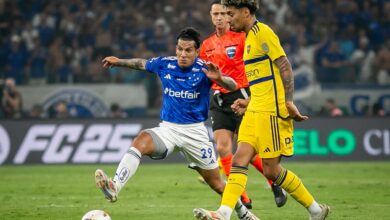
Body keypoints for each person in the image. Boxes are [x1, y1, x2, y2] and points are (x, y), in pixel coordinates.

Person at [95, 27, 259, 220]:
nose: (182, 54)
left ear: (197, 52)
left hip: (195, 133)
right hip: (169, 129)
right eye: (180, 49)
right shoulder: (165, 64)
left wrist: (220, 79)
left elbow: (233, 85)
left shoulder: (205, 69)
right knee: (141, 140)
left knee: (217, 183)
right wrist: (119, 62)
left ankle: (244, 213)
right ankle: (114, 186)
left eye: (188, 50)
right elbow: (141, 63)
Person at [193, 1, 330, 220]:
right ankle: (224, 213)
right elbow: (263, 79)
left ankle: (315, 209)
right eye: (223, 14)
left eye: (230, 14)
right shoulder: (247, 39)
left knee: (271, 171)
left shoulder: (263, 32)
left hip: (272, 113)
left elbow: (284, 65)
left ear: (246, 12)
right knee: (238, 160)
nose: (227, 19)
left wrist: (288, 102)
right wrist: (248, 102)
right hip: (255, 109)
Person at [199, 0, 286, 209]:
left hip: (243, 94)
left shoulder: (242, 37)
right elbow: (204, 76)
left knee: (248, 152)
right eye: (216, 14)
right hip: (219, 99)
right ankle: (243, 198)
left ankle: (274, 181)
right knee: (222, 147)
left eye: (223, 13)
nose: (220, 18)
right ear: (211, 17)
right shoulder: (206, 45)